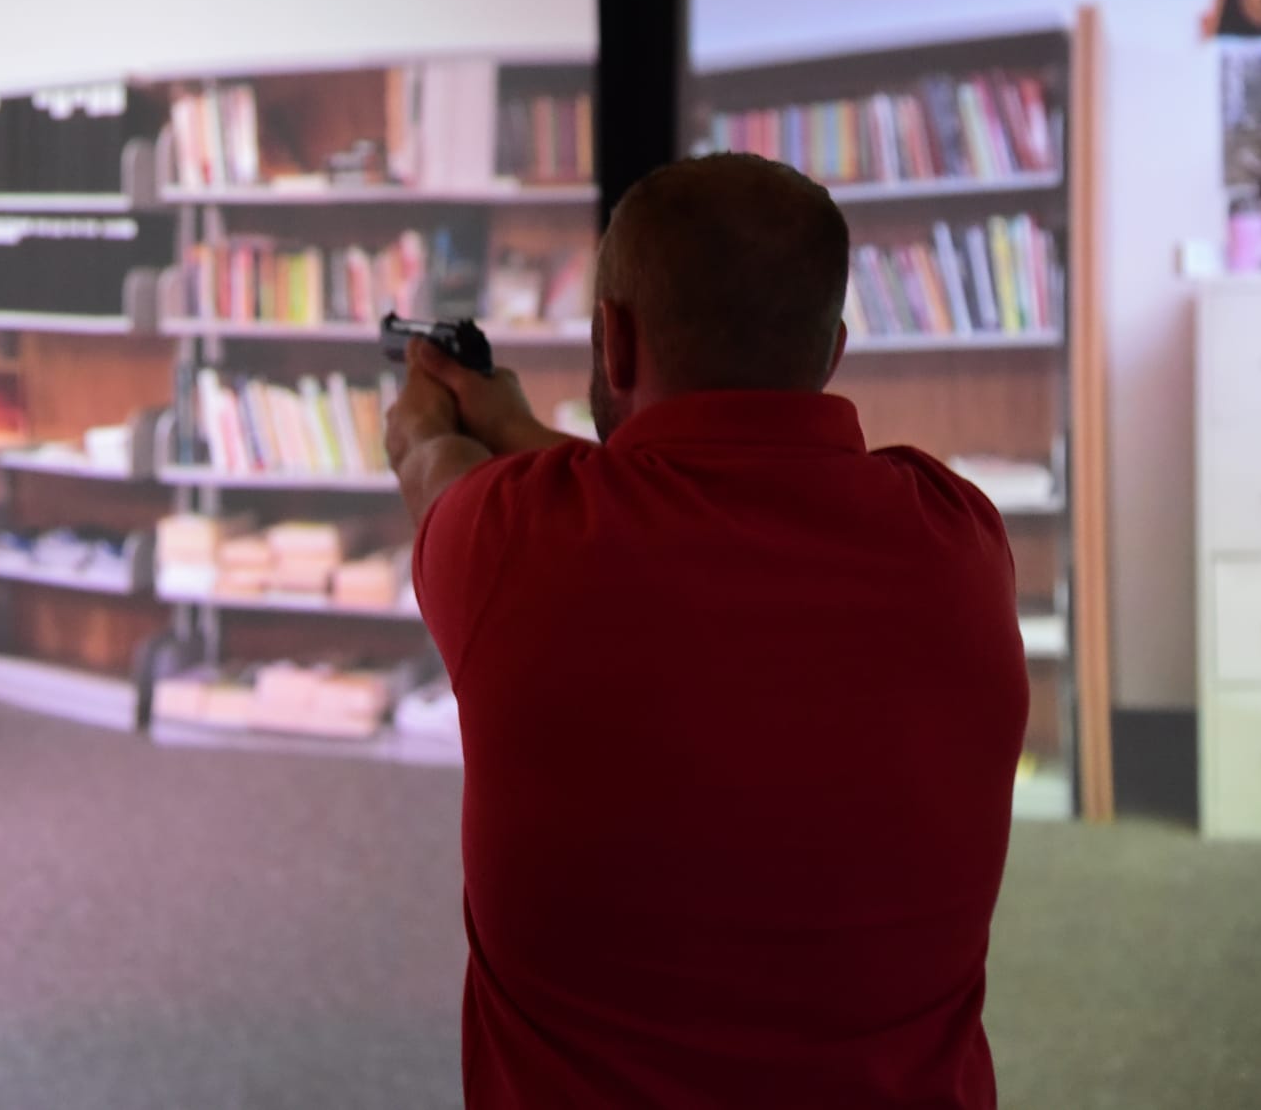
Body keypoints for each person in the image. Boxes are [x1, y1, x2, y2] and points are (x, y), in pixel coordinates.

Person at [385, 152, 1028, 1109]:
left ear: (613, 340)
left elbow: (433, 463)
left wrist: (435, 413)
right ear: (832, 351)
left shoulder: (509, 540)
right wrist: (515, 421)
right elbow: (703, 494)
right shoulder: (959, 536)